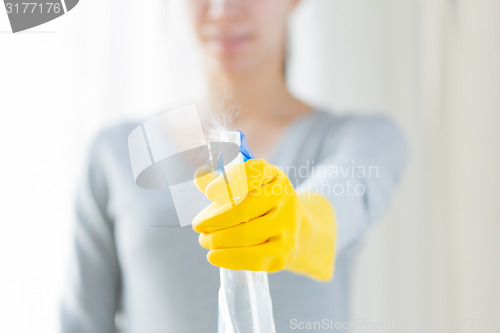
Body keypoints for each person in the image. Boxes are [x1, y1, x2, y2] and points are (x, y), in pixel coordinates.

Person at [60, 0, 407, 332]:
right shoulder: (117, 153)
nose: (223, 9)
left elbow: (343, 200)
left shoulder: (361, 140)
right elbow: (81, 322)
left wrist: (297, 223)